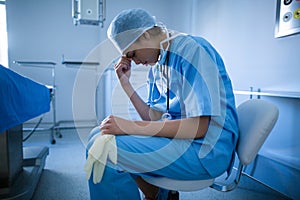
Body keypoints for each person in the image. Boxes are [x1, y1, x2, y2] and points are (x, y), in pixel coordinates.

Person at [85, 8, 239, 200]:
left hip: (206, 150)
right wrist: (126, 84)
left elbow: (198, 127)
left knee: (107, 150)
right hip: (181, 141)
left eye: (131, 53)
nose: (134, 62)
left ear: (146, 35)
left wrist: (129, 127)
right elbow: (152, 118)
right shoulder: (158, 65)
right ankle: (159, 196)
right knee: (98, 135)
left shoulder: (192, 50)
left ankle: (158, 195)